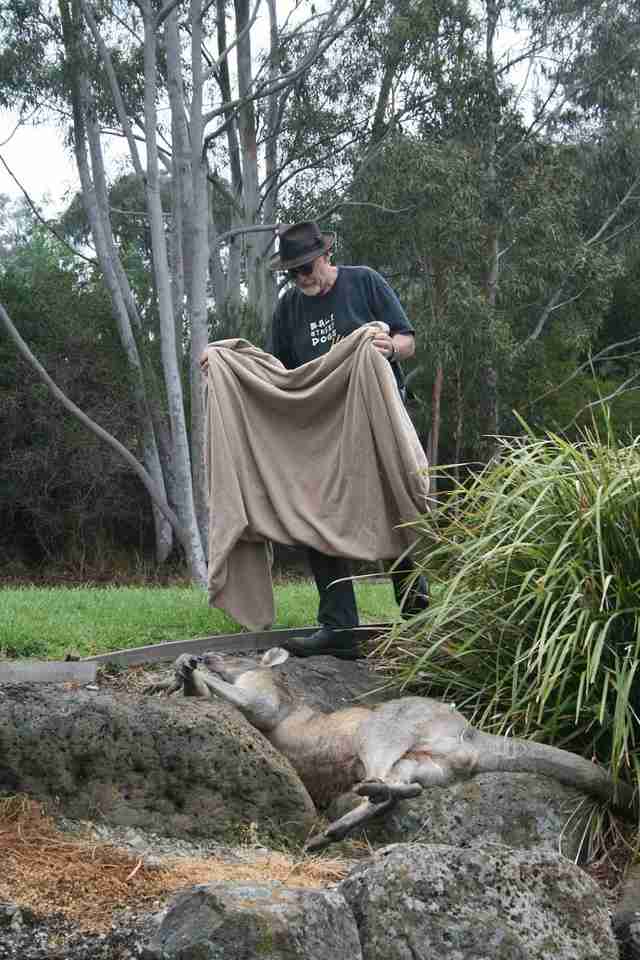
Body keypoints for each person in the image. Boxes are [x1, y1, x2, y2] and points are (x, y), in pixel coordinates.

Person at [266, 220, 429, 660]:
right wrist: (227, 365)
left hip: (375, 419)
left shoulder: (364, 282)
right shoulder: (288, 309)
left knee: (391, 508)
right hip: (323, 429)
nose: (302, 279)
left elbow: (407, 339)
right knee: (315, 515)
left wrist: (388, 348)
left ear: (325, 257)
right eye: (293, 273)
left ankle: (420, 619)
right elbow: (278, 373)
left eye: (307, 268)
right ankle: (339, 628)